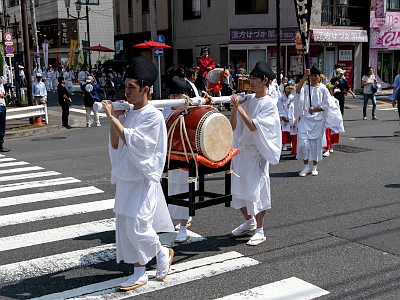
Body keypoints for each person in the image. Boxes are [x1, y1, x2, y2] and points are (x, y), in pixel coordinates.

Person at [102, 56, 174, 291]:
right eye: (126, 86)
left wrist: (114, 118)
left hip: (142, 178)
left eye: (131, 87)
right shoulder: (130, 113)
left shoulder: (153, 116)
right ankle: (139, 271)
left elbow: (139, 144)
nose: (127, 92)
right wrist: (116, 120)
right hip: (126, 177)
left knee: (139, 226)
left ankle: (162, 252)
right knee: (124, 226)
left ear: (145, 89)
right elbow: (117, 144)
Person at [229, 61, 282, 246]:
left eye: (254, 78)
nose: (250, 81)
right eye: (250, 78)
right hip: (241, 152)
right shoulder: (249, 100)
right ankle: (249, 221)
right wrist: (235, 108)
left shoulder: (269, 104)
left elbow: (254, 126)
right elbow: (234, 127)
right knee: (239, 190)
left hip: (255, 154)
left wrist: (239, 107)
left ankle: (260, 229)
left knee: (257, 191)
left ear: (264, 80)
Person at [165, 76, 195, 243]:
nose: (173, 99)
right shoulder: (165, 110)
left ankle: (183, 226)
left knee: (185, 191)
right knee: (168, 190)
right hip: (169, 157)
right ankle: (168, 220)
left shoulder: (191, 111)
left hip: (186, 156)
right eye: (172, 95)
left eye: (178, 95)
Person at [294, 66, 330, 177]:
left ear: (320, 77)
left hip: (317, 120)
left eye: (316, 75)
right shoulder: (306, 88)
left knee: (315, 144)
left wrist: (316, 109)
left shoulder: (323, 89)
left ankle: (314, 166)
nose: (314, 77)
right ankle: (306, 166)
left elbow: (327, 105)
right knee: (303, 143)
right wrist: (304, 77)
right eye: (312, 75)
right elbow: (297, 91)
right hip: (306, 120)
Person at [278, 84, 295, 151]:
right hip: (284, 116)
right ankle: (284, 144)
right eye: (288, 89)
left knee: (292, 130)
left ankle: (291, 143)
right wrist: (283, 116)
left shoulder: (293, 98)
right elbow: (280, 108)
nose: (289, 91)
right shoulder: (281, 98)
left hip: (291, 116)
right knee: (284, 130)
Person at [0, 77, 10, 152]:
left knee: (2, 126)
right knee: (0, 126)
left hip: (2, 105)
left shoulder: (1, 86)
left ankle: (1, 144)